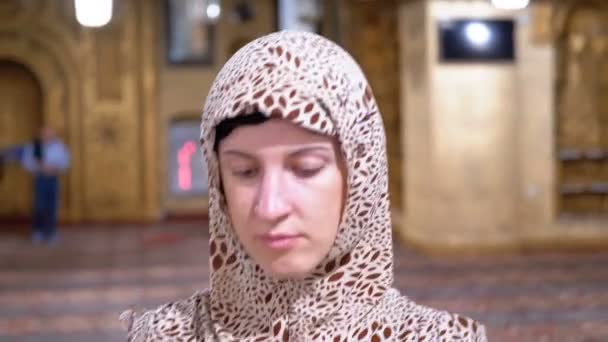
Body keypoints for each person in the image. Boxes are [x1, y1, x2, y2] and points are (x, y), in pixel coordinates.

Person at [121, 31, 487, 341]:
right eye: (245, 171)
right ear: (218, 184)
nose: (270, 207)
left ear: (361, 174)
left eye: (306, 169)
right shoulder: (166, 334)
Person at [21, 126, 70, 244]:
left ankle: (51, 233)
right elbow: (26, 163)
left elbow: (65, 162)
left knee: (52, 207)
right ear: (40, 134)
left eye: (50, 134)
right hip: (40, 179)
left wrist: (55, 168)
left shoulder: (59, 147)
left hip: (53, 179)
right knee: (39, 206)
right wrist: (39, 167)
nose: (47, 136)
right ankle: (38, 231)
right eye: (45, 134)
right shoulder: (34, 146)